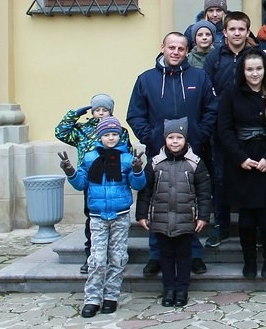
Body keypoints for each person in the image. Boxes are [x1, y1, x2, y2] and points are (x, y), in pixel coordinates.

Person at [127, 32, 217, 276]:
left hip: (193, 154)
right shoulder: (146, 80)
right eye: (171, 47)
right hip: (158, 154)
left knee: (190, 203)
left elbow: (211, 110)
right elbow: (135, 115)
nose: (176, 52)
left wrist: (198, 135)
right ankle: (156, 254)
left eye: (181, 48)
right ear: (162, 48)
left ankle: (193, 253)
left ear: (187, 51)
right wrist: (151, 137)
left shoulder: (199, 77)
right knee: (160, 202)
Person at [60, 117, 146, 318]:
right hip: (98, 216)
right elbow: (81, 183)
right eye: (107, 134)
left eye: (114, 134)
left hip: (120, 214)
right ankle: (92, 298)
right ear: (100, 136)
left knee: (117, 257)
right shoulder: (90, 158)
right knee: (98, 259)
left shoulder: (125, 158)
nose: (111, 138)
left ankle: (111, 296)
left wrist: (137, 170)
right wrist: (70, 171)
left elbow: (138, 185)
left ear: (120, 135)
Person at [217, 48, 266, 278]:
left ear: (265, 69)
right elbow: (224, 129)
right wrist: (240, 158)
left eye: (258, 68)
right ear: (242, 71)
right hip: (242, 161)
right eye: (250, 69)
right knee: (247, 220)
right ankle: (249, 261)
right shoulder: (230, 94)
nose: (254, 73)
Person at [136, 118, 211, 307]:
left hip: (186, 220)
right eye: (171, 137)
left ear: (185, 139)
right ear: (164, 139)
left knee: (184, 258)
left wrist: (203, 216)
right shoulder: (154, 163)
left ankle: (182, 290)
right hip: (161, 220)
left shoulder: (195, 163)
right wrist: (142, 214)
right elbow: (145, 191)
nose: (175, 141)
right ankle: (168, 290)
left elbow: (204, 192)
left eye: (179, 137)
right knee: (166, 257)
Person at [55, 93, 132, 274]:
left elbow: (125, 151)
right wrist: (74, 114)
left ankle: (116, 257)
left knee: (117, 223)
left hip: (114, 179)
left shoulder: (120, 130)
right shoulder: (82, 130)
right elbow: (61, 132)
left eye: (104, 110)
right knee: (93, 219)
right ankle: (92, 254)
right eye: (97, 109)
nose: (100, 113)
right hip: (91, 179)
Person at [203, 11, 255, 248]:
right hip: (221, 128)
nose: (237, 33)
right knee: (221, 178)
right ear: (224, 32)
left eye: (241, 29)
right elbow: (207, 90)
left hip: (251, 128)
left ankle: (250, 227)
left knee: (250, 177)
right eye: (232, 29)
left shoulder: (254, 56)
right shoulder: (214, 57)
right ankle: (221, 225)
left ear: (247, 31)